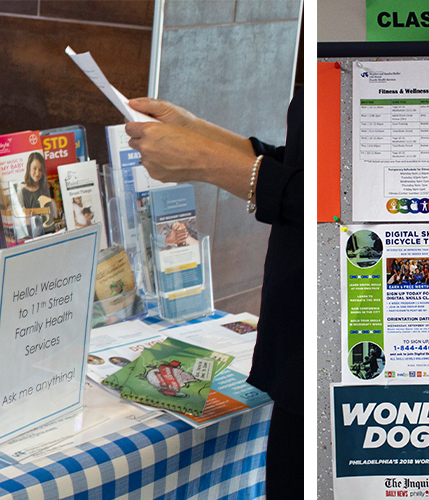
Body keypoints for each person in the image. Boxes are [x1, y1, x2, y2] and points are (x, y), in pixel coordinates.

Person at [125, 88, 302, 498]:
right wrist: (199, 132)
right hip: (299, 344)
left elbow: (342, 198)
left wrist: (205, 160)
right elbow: (301, 164)